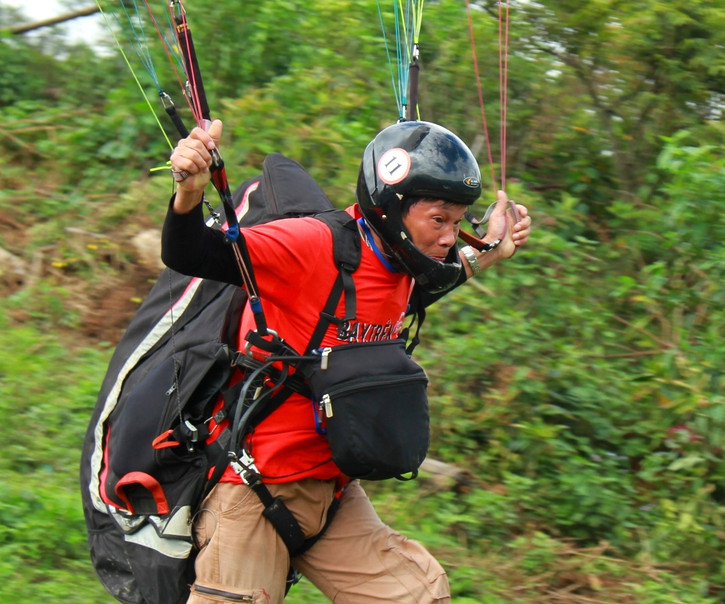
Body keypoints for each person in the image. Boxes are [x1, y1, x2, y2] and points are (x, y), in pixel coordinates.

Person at [163, 118, 532, 604]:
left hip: (331, 492)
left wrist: (492, 250)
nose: (449, 236)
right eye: (438, 220)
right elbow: (191, 252)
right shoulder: (311, 245)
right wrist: (189, 194)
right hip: (253, 487)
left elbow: (435, 280)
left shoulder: (404, 263)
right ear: (391, 209)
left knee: (416, 594)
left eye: (459, 222)